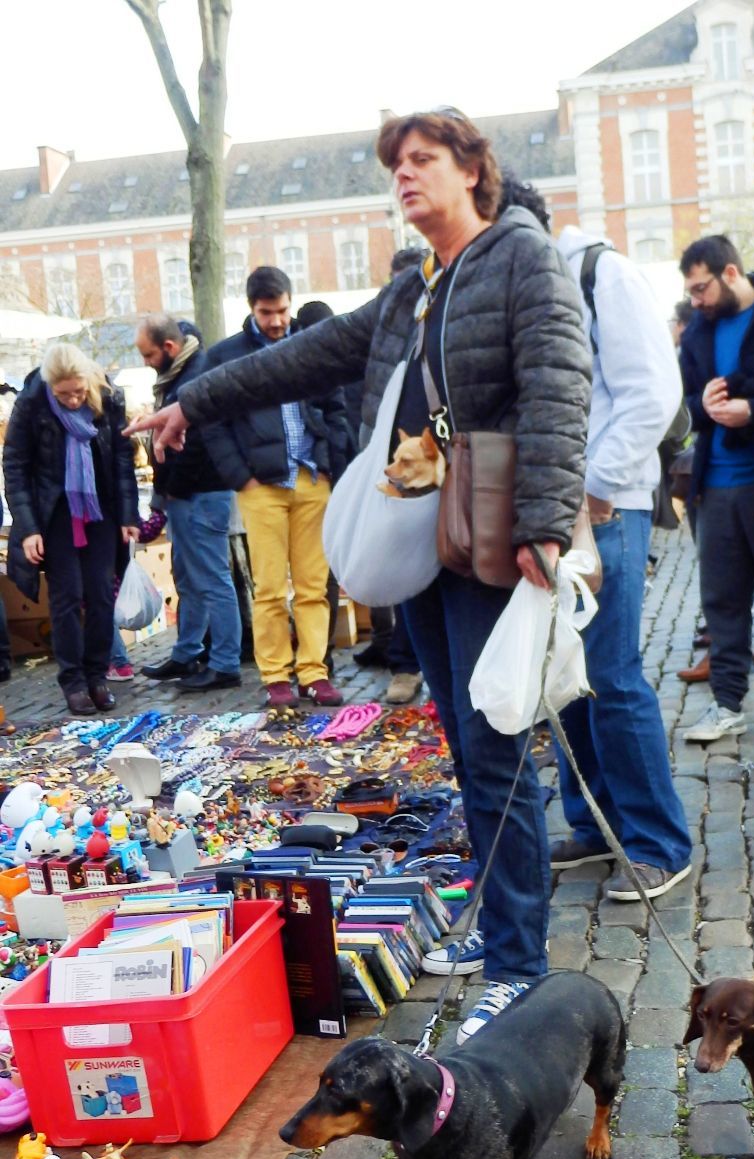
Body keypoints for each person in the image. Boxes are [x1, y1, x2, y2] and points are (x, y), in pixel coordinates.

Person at [128, 108, 591, 1041]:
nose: (406, 177)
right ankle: (504, 931)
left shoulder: (519, 257)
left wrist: (546, 523)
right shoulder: (417, 281)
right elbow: (308, 356)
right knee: (462, 738)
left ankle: (520, 963)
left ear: (472, 171)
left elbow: (558, 382)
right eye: (398, 166)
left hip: (490, 534)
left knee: (497, 746)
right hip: (418, 535)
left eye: (424, 161)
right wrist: (190, 400)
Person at [498, 181, 693, 901]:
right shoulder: (532, 286)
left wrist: (596, 489)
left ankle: (657, 842)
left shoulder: (601, 272)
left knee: (610, 677)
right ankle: (596, 823)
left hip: (603, 507)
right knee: (567, 680)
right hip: (554, 509)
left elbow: (651, 391)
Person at [198, 265, 350, 708]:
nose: (278, 320)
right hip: (260, 485)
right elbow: (212, 421)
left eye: (282, 310)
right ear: (251, 308)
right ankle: (276, 676)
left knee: (313, 585)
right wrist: (239, 476)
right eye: (268, 313)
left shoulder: (311, 346)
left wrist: (329, 463)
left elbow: (335, 407)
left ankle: (314, 671)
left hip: (310, 478)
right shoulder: (227, 355)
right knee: (267, 587)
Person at [677, 235, 754, 743]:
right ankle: (727, 704)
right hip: (714, 484)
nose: (695, 301)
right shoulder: (697, 332)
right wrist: (701, 403)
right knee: (721, 599)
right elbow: (681, 406)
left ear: (729, 273)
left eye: (701, 288)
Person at [4, 343, 139, 714]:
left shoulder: (108, 398)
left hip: (101, 509)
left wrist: (129, 515)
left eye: (79, 391)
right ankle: (73, 681)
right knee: (66, 598)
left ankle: (97, 676)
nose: (74, 399)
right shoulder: (32, 403)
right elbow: (15, 467)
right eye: (64, 394)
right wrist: (29, 528)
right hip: (56, 514)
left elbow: (122, 460)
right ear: (50, 386)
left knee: (100, 595)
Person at [134, 312, 242, 692]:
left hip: (200, 492)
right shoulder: (178, 374)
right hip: (185, 493)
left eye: (148, 355)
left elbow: (199, 443)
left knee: (212, 579)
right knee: (190, 579)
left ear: (169, 347)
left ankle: (226, 662)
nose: (145, 363)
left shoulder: (195, 375)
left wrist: (171, 491)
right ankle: (187, 652)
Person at [348, 248, 427, 705]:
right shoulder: (381, 329)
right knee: (405, 580)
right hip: (394, 474)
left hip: (446, 475)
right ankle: (404, 663)